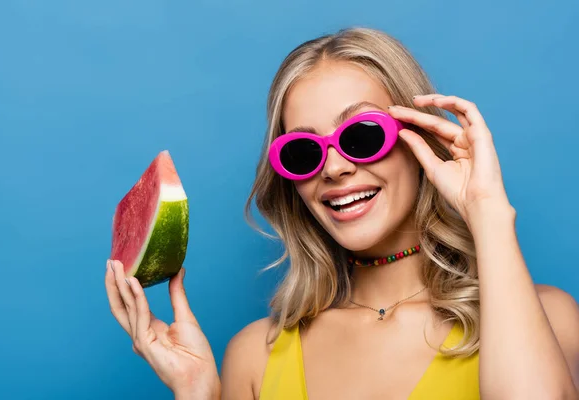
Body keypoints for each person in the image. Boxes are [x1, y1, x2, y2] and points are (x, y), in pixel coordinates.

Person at [104, 27, 579, 399]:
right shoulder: (254, 356)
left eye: (361, 136)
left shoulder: (548, 319)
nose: (333, 167)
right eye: (303, 152)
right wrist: (196, 394)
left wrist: (488, 214)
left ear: (418, 140)